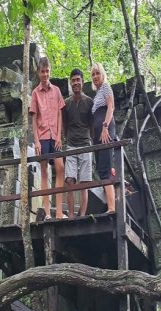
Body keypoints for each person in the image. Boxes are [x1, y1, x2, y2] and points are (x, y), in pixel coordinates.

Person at [30, 57, 66, 220]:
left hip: (55, 136)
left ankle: (58, 210)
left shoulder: (56, 90)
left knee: (60, 168)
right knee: (44, 171)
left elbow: (59, 114)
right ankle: (47, 212)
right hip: (43, 136)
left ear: (50, 72)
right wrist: (36, 141)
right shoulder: (35, 93)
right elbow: (34, 118)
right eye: (42, 71)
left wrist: (59, 136)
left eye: (47, 71)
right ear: (38, 73)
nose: (45, 74)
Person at [63, 68, 94, 217]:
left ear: (82, 82)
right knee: (69, 180)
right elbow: (64, 124)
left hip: (86, 144)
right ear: (70, 83)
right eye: (73, 80)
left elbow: (92, 124)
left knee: (84, 183)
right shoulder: (66, 103)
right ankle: (70, 214)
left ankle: (82, 215)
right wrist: (67, 138)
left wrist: (91, 141)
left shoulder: (89, 102)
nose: (76, 83)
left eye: (78, 80)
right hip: (71, 145)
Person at [90, 62, 116, 214]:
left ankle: (112, 207)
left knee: (105, 168)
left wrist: (105, 127)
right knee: (101, 168)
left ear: (102, 74)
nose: (95, 77)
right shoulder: (97, 93)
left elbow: (110, 107)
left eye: (97, 73)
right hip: (98, 134)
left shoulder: (106, 87)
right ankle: (110, 204)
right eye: (93, 74)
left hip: (105, 131)